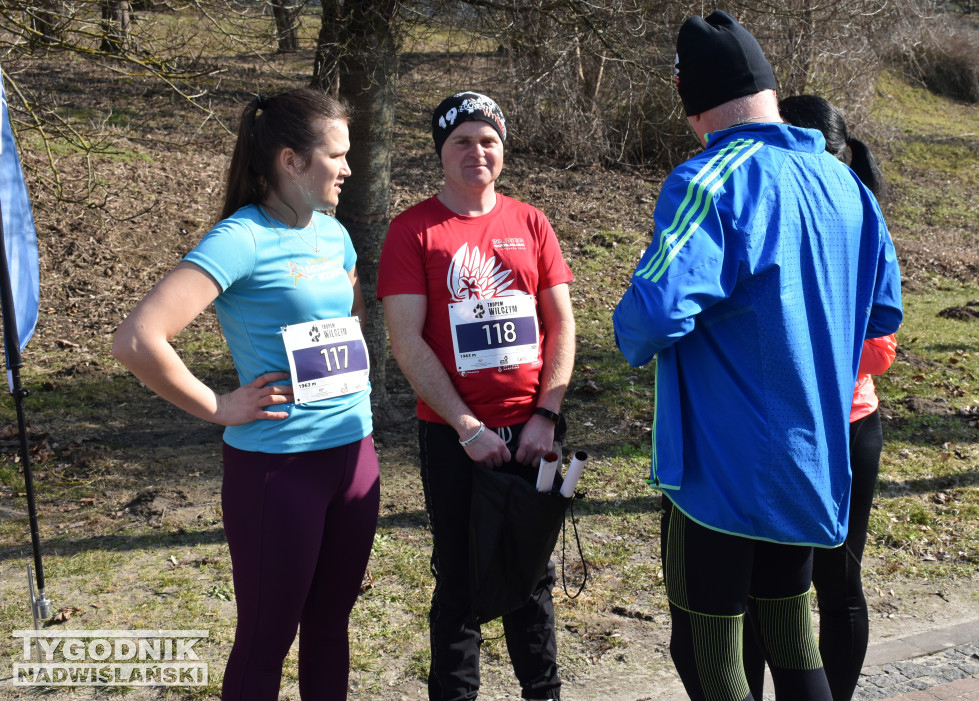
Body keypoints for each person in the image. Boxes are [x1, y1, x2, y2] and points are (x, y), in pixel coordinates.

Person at [612, 11, 903, 701]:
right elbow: (882, 312)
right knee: (792, 636)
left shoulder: (711, 178)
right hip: (812, 458)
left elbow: (647, 319)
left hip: (721, 473)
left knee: (709, 652)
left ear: (692, 102)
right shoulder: (847, 186)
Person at [112, 87, 379, 701]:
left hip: (355, 456)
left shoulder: (334, 235)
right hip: (277, 470)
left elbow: (351, 317)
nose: (347, 167)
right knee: (266, 639)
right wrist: (216, 405)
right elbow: (137, 338)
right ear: (290, 160)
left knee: (331, 628)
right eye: (335, 155)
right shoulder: (242, 238)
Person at [378, 91, 575, 701]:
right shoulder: (413, 230)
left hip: (535, 430)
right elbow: (406, 341)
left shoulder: (530, 221)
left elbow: (562, 324)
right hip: (454, 437)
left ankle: (544, 692)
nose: (477, 152)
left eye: (488, 140)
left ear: (503, 150)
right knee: (460, 578)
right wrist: (466, 427)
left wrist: (545, 416)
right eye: (462, 140)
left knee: (532, 572)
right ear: (441, 151)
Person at [742, 94, 899, 701]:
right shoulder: (766, 209)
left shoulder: (858, 216)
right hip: (780, 436)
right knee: (764, 591)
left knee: (838, 588)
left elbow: (881, 346)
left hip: (848, 430)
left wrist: (811, 356)